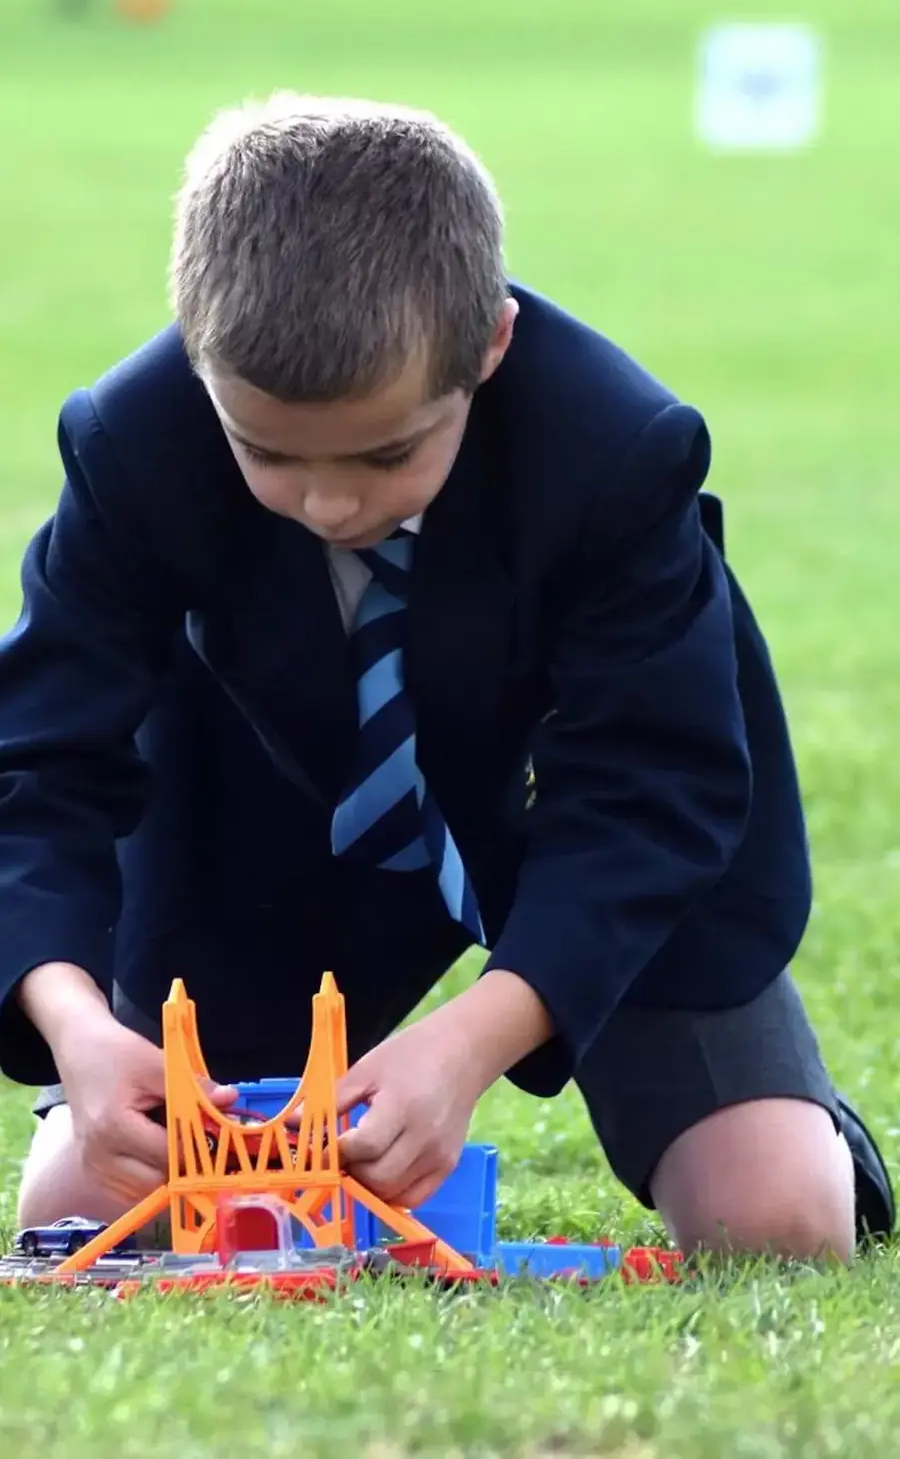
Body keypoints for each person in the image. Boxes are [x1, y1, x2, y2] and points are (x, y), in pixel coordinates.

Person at [0, 92, 892, 1261]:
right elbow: (39, 760)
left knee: (778, 1219)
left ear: (491, 346)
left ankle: (798, 1122)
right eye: (264, 450)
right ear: (197, 355)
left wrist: (473, 1039)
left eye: (387, 452)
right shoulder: (130, 441)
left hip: (577, 838)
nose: (329, 503)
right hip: (266, 834)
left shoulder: (619, 450)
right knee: (82, 1210)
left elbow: (652, 784)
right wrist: (76, 1023)